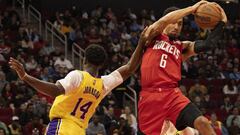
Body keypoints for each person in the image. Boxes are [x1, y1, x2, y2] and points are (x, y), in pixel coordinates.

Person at [8, 27, 148, 135]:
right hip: (79, 130)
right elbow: (129, 68)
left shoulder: (78, 76)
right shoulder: (103, 85)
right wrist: (142, 43)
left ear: (84, 59)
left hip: (61, 127)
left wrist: (26, 77)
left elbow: (55, 91)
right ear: (101, 65)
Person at [139, 1, 227, 135]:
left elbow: (208, 44)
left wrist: (222, 23)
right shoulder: (152, 36)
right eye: (174, 22)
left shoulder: (182, 47)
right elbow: (164, 20)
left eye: (180, 24)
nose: (176, 26)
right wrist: (192, 9)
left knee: (202, 122)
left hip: (172, 95)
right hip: (151, 96)